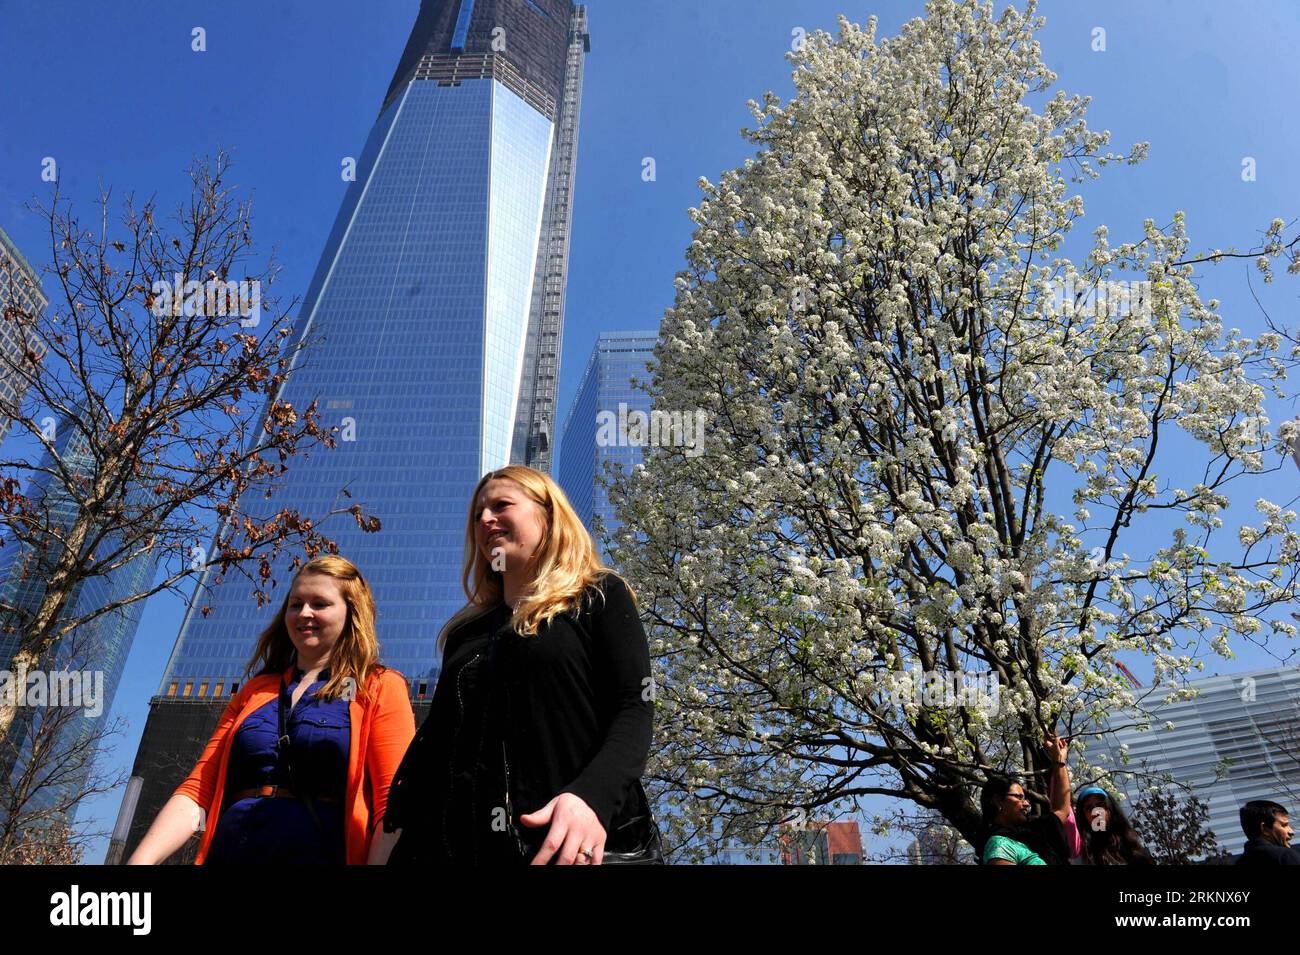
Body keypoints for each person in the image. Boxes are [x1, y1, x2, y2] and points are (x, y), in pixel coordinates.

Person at [378, 465, 655, 865]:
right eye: (477, 515)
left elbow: (634, 705)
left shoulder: (598, 597)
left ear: (548, 515)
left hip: (572, 847)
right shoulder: (464, 633)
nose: (485, 519)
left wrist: (592, 798)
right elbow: (436, 748)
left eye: (501, 505)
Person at [128, 555, 415, 865]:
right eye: (295, 604)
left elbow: (395, 803)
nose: (304, 613)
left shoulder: (379, 686)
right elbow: (199, 789)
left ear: (352, 613)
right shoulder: (256, 691)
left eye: (319, 604)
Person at [979, 734, 1080, 865]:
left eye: (1025, 798)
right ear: (998, 800)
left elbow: (1062, 809)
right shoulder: (999, 844)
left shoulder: (1034, 831)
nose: (1026, 803)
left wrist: (1059, 758)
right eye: (1019, 797)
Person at [1074, 785, 1155, 865]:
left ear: (1110, 809)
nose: (1096, 812)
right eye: (1089, 808)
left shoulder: (1133, 848)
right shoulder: (1080, 852)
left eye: (1100, 805)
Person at [1235, 800, 1300, 865]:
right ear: (1265, 829)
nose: (1291, 831)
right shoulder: (1285, 857)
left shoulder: (1240, 862)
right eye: (1284, 825)